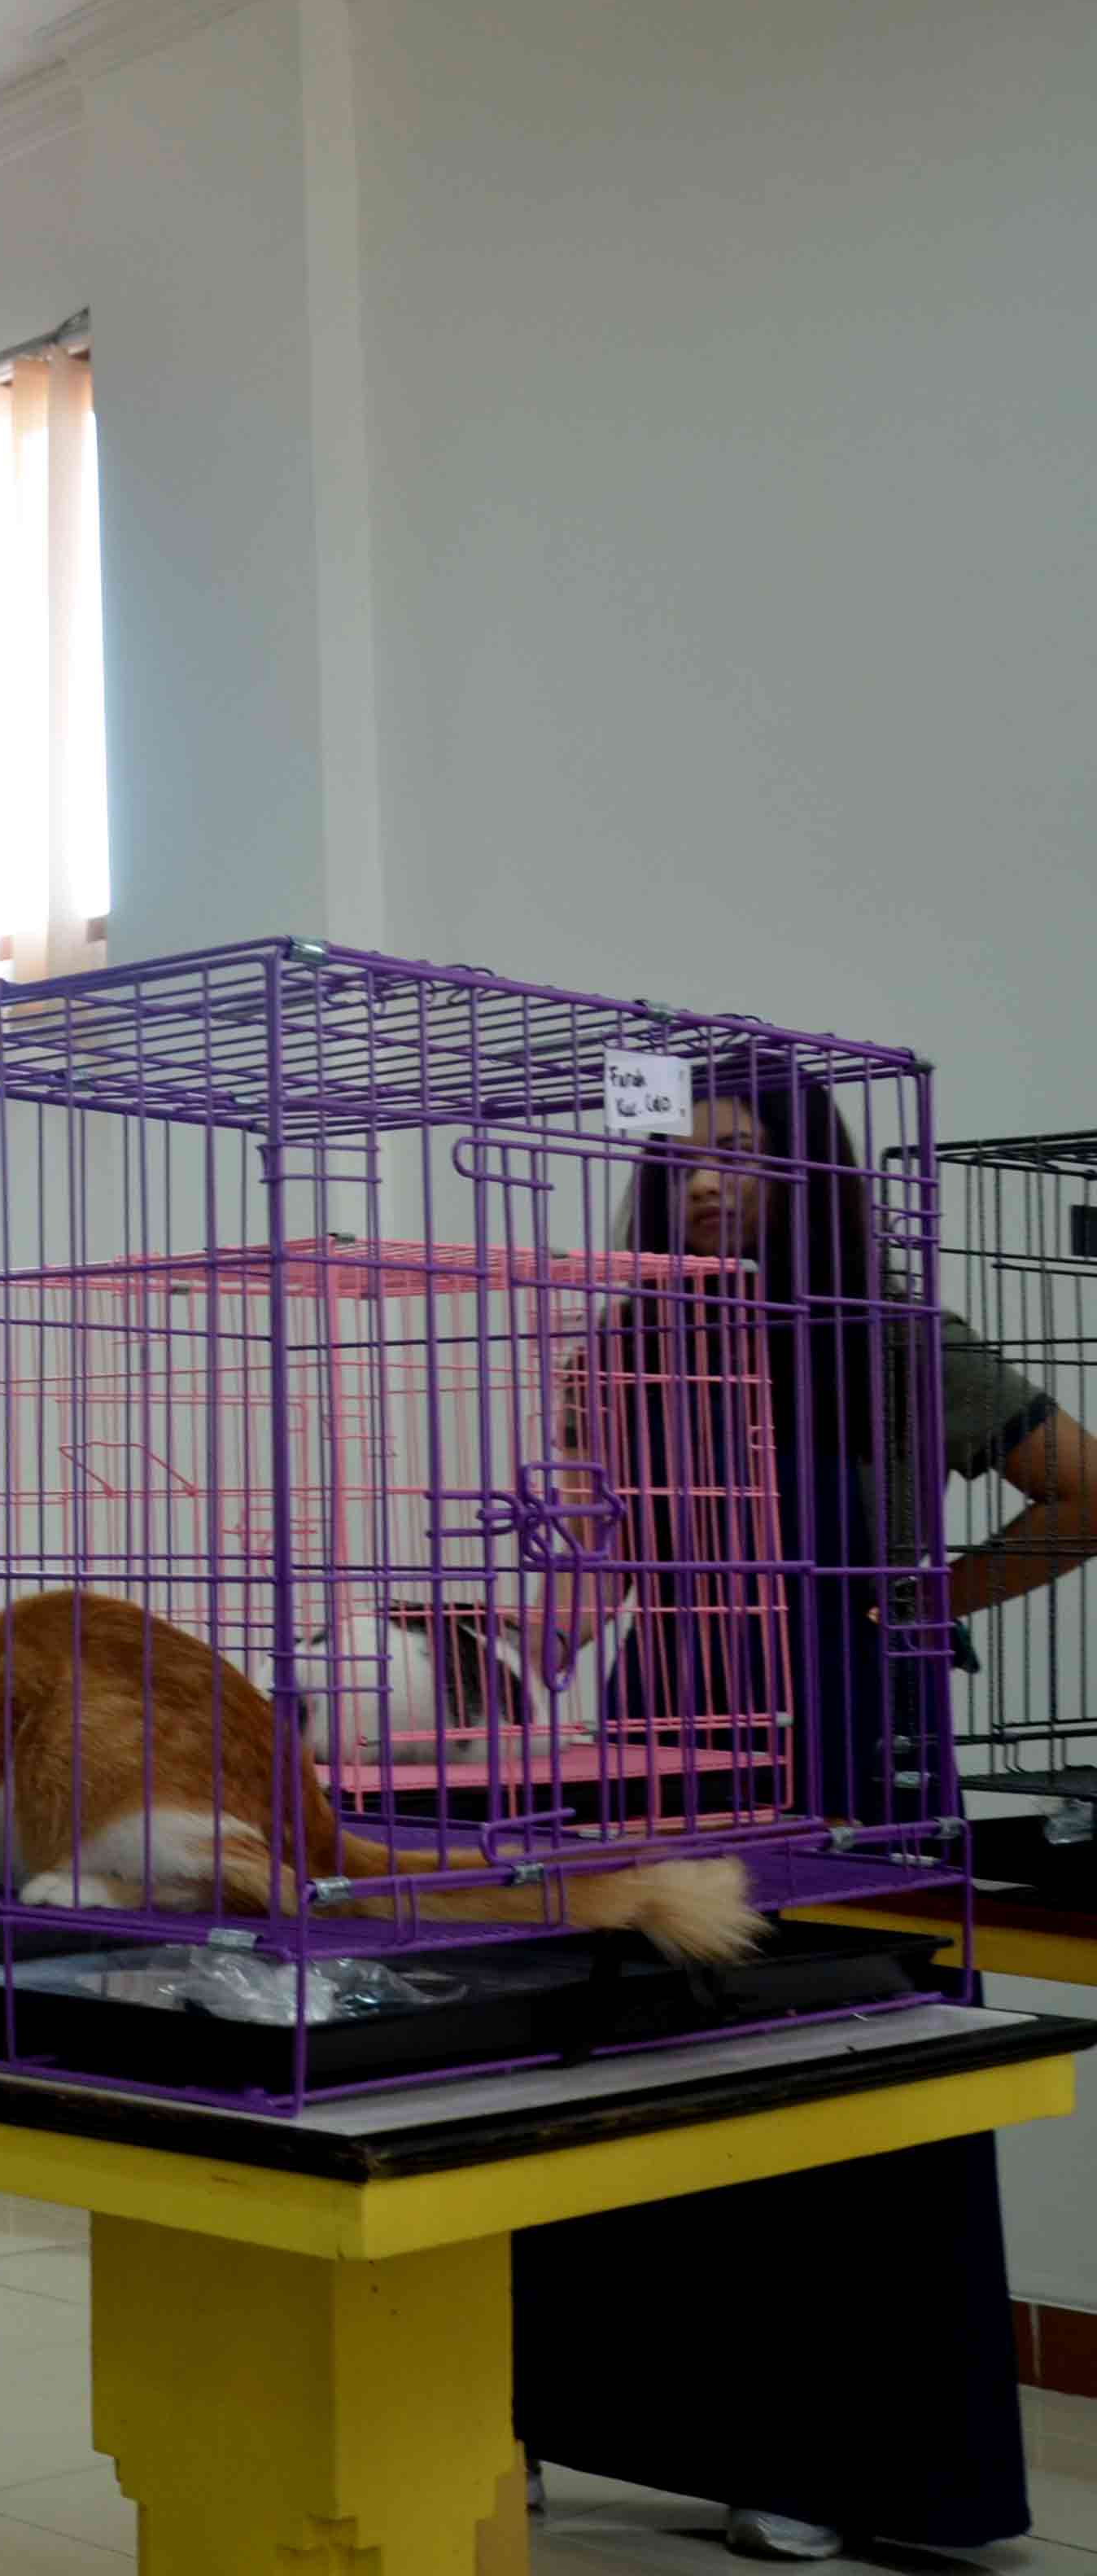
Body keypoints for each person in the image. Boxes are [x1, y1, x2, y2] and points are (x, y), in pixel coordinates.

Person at [518, 1057, 1095, 2561]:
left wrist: (917, 1599)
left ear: (810, 1169)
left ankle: (844, 2464)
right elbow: (594, 1570)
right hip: (671, 1746)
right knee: (647, 2072)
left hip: (862, 1757)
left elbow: (1086, 1492)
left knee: (857, 2091)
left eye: (741, 1150)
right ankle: (616, 2419)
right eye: (684, 1152)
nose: (706, 1176)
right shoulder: (616, 1349)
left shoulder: (901, 1342)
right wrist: (484, 1668)